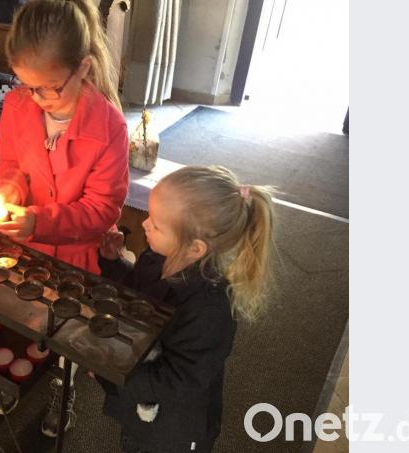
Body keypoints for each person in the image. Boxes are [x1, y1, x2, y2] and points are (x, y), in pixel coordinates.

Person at [0, 0, 130, 437]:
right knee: (21, 315)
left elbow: (101, 211)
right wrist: (6, 191)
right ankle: (13, 373)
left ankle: (62, 387)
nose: (40, 99)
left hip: (76, 259)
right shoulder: (17, 106)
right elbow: (10, 163)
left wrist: (39, 222)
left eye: (50, 88)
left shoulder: (108, 128)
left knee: (68, 333)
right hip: (25, 248)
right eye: (28, 86)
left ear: (84, 67)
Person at [96, 165, 276, 453]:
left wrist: (113, 373)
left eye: (155, 224)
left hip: (173, 428)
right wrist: (114, 264)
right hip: (139, 401)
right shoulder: (158, 255)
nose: (144, 225)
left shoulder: (212, 309)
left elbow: (180, 379)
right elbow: (136, 295)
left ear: (195, 248)